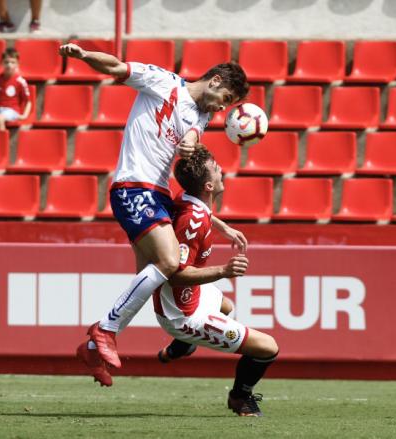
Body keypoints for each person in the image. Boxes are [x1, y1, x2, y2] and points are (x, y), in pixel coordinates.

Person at [60, 43, 250, 373]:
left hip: (158, 194)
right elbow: (117, 68)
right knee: (167, 262)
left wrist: (222, 225)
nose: (223, 109)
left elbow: (191, 137)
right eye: (227, 100)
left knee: (154, 279)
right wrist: (83, 56)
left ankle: (93, 348)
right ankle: (105, 330)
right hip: (134, 186)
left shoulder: (202, 116)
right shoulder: (163, 82)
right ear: (216, 81)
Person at [79, 148, 279, 417]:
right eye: (217, 169)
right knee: (268, 348)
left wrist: (224, 227)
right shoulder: (192, 223)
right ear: (209, 185)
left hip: (193, 294)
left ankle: (182, 347)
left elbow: (199, 211)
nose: (222, 172)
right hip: (183, 315)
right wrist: (224, 270)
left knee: (226, 306)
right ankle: (240, 397)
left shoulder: (187, 201)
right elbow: (175, 275)